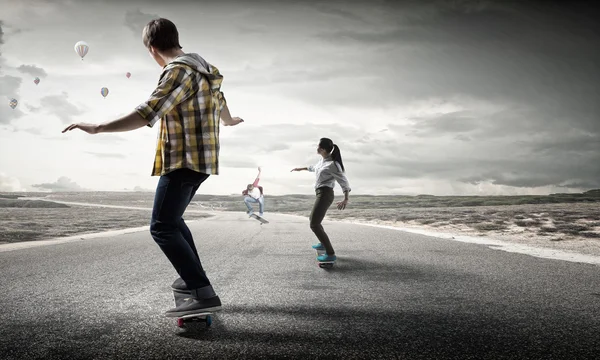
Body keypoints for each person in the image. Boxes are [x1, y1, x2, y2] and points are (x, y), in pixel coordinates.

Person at [61, 18, 244, 317]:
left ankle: (201, 291)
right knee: (173, 219)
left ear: (152, 48)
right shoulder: (206, 69)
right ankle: (191, 282)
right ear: (177, 40)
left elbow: (148, 112)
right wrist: (228, 120)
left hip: (183, 159)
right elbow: (220, 99)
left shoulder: (177, 70)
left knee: (161, 226)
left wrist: (96, 127)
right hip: (204, 160)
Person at [290, 138, 351, 263]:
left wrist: (346, 199)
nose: (316, 147)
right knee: (313, 220)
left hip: (325, 194)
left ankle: (330, 253)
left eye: (318, 146)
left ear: (322, 149)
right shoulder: (322, 160)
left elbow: (343, 181)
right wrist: (300, 169)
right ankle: (323, 243)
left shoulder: (333, 164)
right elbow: (314, 168)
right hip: (320, 193)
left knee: (314, 224)